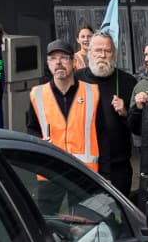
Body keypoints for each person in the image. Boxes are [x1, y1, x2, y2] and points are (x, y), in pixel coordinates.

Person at [27, 40, 104, 172]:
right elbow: (32, 129)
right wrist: (40, 142)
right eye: (53, 58)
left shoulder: (92, 93)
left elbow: (103, 135)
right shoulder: (37, 94)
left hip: (86, 173)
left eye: (63, 57)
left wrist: (106, 174)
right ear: (48, 63)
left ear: (74, 62)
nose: (58, 62)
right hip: (50, 171)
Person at [76, 32, 138, 195]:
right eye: (97, 50)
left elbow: (138, 126)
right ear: (89, 52)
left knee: (118, 216)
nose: (102, 55)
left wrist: (125, 112)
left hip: (118, 165)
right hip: (84, 166)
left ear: (114, 54)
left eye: (107, 51)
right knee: (87, 216)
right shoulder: (75, 80)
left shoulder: (127, 81)